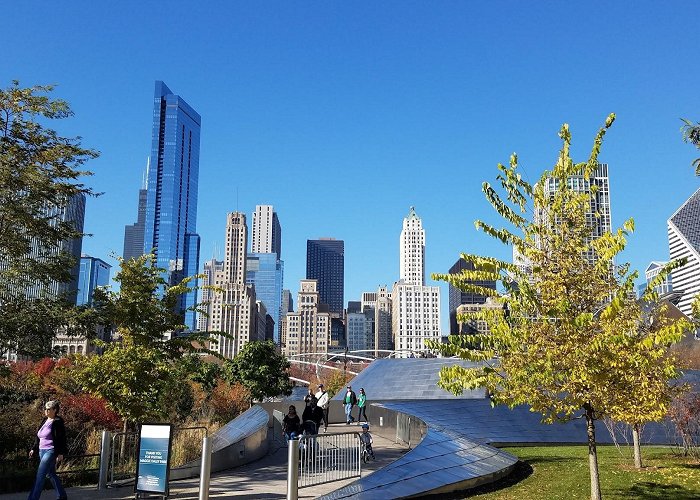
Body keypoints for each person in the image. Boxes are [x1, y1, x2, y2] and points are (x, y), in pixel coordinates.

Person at [28, 400, 68, 500]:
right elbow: (39, 436)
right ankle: (62, 496)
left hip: (51, 451)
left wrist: (61, 453)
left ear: (55, 410)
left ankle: (33, 498)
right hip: (42, 450)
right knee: (51, 474)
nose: (46, 410)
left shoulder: (57, 422)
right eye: (45, 408)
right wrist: (34, 448)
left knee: (40, 475)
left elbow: (62, 438)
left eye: (48, 409)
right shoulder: (44, 420)